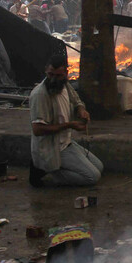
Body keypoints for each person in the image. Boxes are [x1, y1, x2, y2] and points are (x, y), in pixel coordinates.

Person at [29, 54, 102, 187]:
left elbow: (77, 102)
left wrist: (81, 111)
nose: (53, 80)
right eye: (51, 75)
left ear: (66, 74)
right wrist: (69, 125)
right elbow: (38, 129)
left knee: (99, 167)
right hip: (53, 147)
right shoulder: (40, 95)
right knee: (92, 177)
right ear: (46, 70)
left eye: (58, 76)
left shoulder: (65, 86)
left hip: (66, 143)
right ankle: (49, 170)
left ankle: (56, 167)